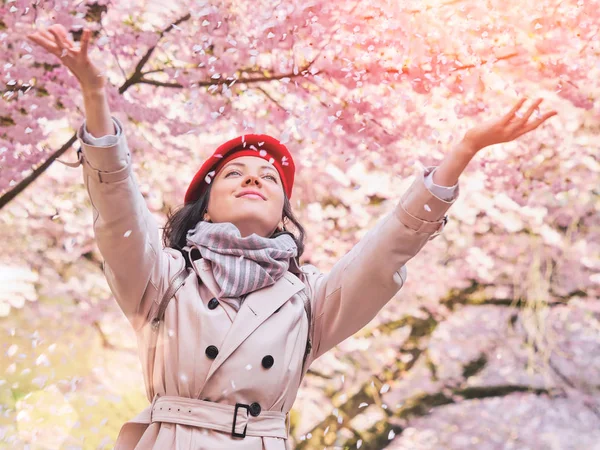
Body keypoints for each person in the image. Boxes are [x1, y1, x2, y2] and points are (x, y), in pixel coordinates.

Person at [28, 24, 557, 450]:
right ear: (204, 204)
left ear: (284, 212)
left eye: (268, 178)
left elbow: (388, 247)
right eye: (234, 174)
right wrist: (96, 99)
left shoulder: (306, 300)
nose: (254, 178)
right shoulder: (162, 279)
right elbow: (117, 210)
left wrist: (462, 150)